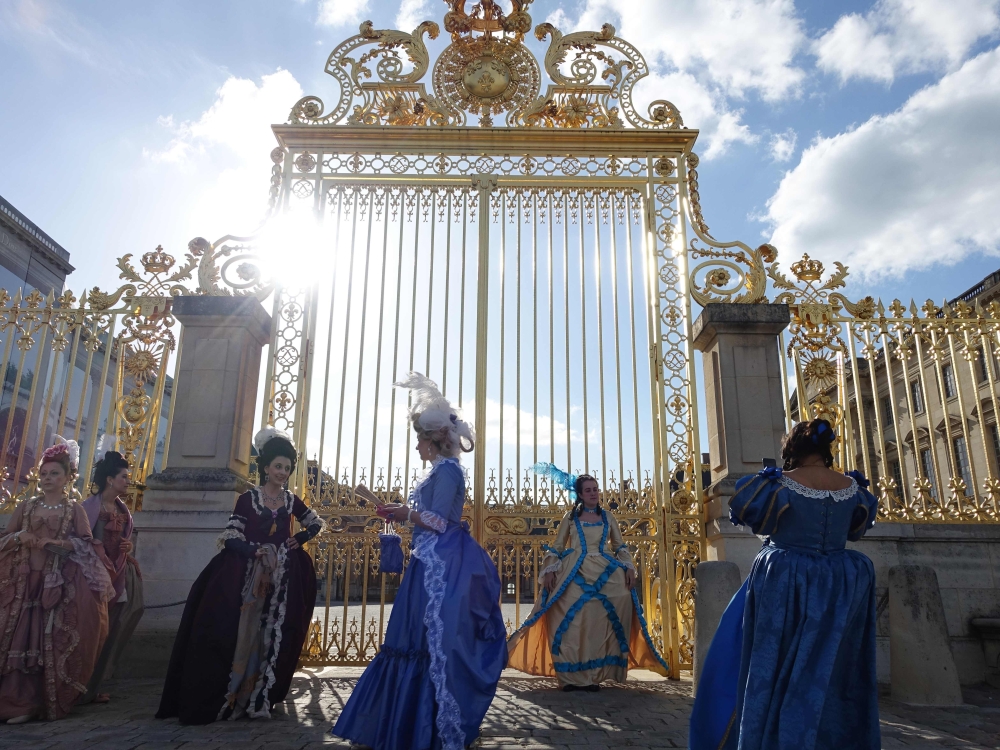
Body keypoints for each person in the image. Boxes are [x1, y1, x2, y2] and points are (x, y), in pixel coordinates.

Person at [332, 372, 507, 750]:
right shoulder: (439, 471)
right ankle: (410, 721)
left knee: (432, 641)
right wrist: (402, 513)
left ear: (433, 439)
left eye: (419, 440)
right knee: (416, 640)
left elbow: (440, 522)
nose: (416, 447)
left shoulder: (446, 471)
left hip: (442, 565)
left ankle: (424, 723)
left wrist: (404, 514)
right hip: (432, 561)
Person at [689, 418, 880, 750]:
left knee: (773, 664)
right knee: (832, 669)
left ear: (792, 449)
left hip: (787, 583)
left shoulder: (776, 485)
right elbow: (855, 531)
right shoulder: (853, 489)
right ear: (826, 450)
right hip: (840, 585)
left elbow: (749, 514)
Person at [156, 427, 323, 724]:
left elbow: (315, 522)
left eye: (287, 467)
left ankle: (261, 697)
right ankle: (235, 695)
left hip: (282, 578)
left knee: (272, 635)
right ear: (266, 467)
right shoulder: (248, 499)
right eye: (277, 466)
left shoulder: (290, 501)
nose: (282, 472)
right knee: (240, 633)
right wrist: (252, 551)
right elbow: (231, 535)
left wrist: (301, 539)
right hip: (247, 576)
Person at [506, 464, 668, 691]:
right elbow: (557, 547)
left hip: (605, 569)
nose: (594, 493)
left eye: (596, 489)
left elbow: (619, 545)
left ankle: (594, 675)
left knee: (601, 619)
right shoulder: (570, 518)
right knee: (571, 620)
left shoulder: (608, 517)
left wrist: (629, 566)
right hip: (575, 570)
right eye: (589, 490)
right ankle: (571, 676)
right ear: (580, 495)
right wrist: (551, 570)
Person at [0, 437, 115, 722]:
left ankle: (37, 702)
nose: (47, 478)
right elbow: (4, 538)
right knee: (17, 637)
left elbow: (87, 544)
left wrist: (60, 543)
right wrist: (20, 536)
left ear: (67, 477)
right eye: (43, 473)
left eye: (54, 473)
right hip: (23, 584)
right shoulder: (25, 507)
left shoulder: (73, 510)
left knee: (47, 639)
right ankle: (14, 700)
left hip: (55, 584)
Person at [81, 441, 144, 704]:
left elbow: (125, 540)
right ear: (110, 479)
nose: (128, 481)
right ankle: (77, 685)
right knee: (89, 629)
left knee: (110, 630)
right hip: (91, 577)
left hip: (116, 575)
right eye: (124, 477)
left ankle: (94, 686)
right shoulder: (87, 508)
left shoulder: (123, 510)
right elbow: (79, 541)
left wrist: (127, 546)